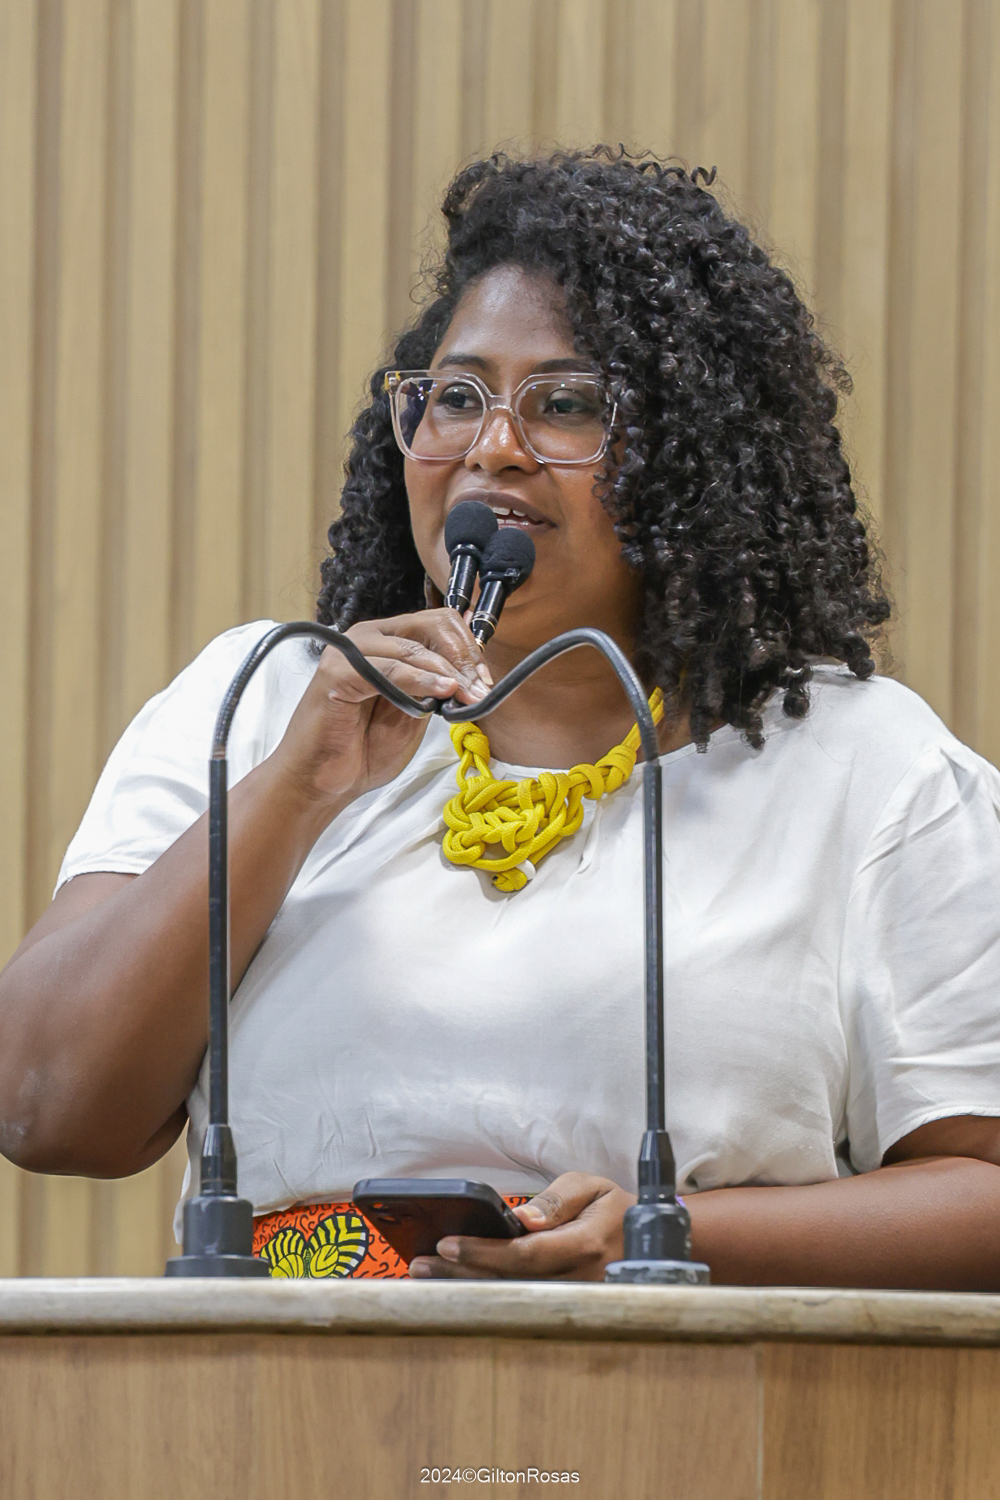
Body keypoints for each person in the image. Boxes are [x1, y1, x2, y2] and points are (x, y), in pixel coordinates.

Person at [2, 149, 999, 1288]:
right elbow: (44, 1107)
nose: (493, 448)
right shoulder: (262, 699)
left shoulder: (870, 771)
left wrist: (666, 1234)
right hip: (277, 1386)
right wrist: (294, 788)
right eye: (456, 398)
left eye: (566, 405)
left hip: (672, 1385)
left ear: (698, 456)